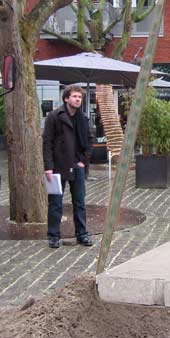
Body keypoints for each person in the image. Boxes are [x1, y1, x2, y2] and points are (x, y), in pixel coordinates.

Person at [43, 85, 94, 249]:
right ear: (66, 98)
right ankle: (53, 236)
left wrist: (83, 161)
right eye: (74, 96)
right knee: (55, 203)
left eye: (80, 97)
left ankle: (82, 234)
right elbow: (47, 143)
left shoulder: (84, 119)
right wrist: (48, 167)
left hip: (77, 167)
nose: (78, 99)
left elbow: (89, 141)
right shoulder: (54, 116)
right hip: (58, 167)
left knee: (79, 202)